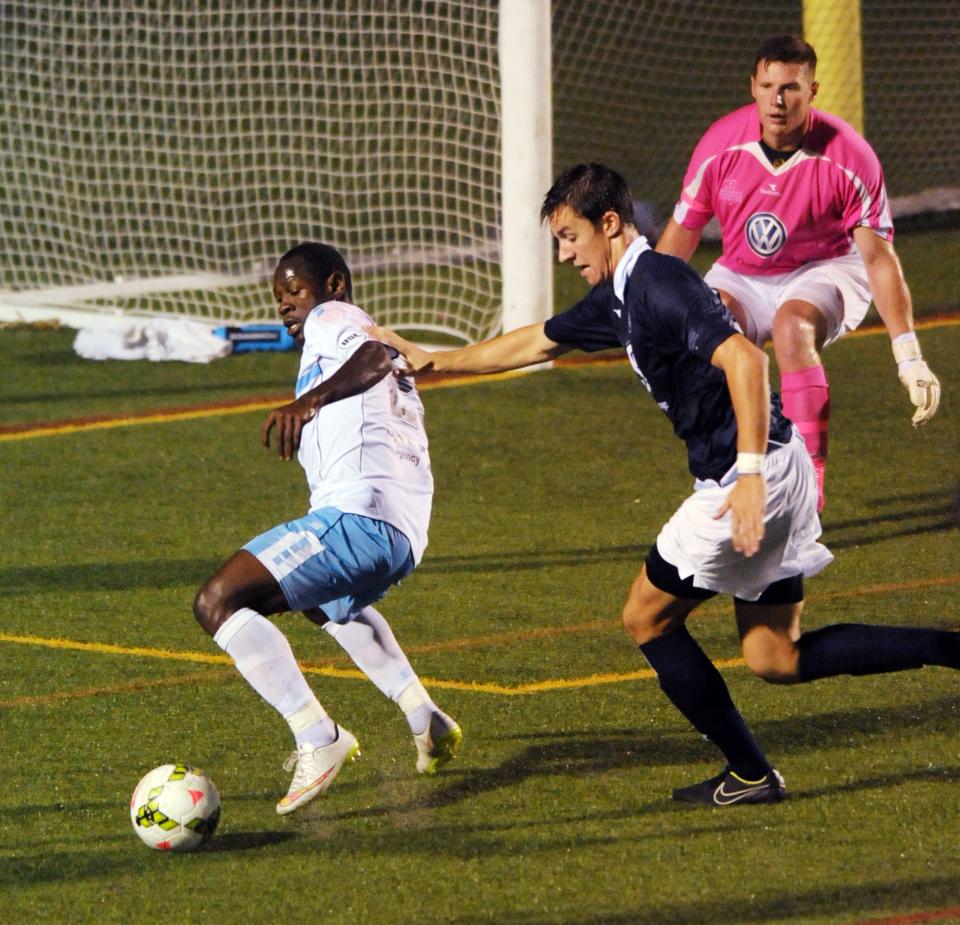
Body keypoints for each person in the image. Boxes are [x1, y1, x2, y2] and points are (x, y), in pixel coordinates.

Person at [370, 163, 960, 806]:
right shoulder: (621, 293)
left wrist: (751, 477)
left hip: (747, 474)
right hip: (775, 463)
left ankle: (751, 774)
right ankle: (948, 649)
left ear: (611, 224)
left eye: (570, 236)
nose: (565, 254)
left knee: (646, 618)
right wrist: (437, 360)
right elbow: (539, 341)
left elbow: (746, 357)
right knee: (774, 657)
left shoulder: (658, 285)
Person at [194, 242, 462, 815]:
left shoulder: (335, 320)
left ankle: (319, 736)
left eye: (295, 291)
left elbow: (372, 357)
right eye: (279, 298)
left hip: (358, 517)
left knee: (217, 601)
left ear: (333, 284)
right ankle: (424, 715)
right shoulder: (344, 337)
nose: (288, 305)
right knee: (323, 602)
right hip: (402, 532)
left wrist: (307, 404)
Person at [655, 34, 940, 510]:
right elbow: (680, 235)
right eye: (767, 86)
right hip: (741, 272)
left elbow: (876, 258)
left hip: (826, 268)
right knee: (711, 337)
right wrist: (646, 311)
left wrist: (909, 356)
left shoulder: (849, 156)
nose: (777, 99)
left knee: (791, 328)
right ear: (752, 87)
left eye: (790, 88)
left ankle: (809, 480)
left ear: (813, 91)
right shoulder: (720, 145)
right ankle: (734, 475)